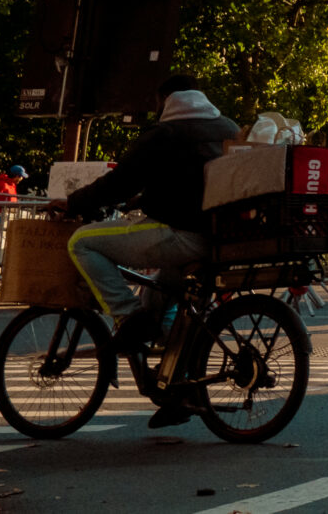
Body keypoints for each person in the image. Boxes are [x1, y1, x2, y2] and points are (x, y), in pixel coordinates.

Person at [60, 76, 240, 427]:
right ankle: (176, 388)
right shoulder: (227, 127)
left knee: (82, 241)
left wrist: (71, 203)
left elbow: (120, 181)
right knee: (163, 298)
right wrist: (141, 200)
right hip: (219, 237)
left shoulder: (165, 134)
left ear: (165, 100)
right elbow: (192, 181)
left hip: (178, 234)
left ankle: (128, 317)